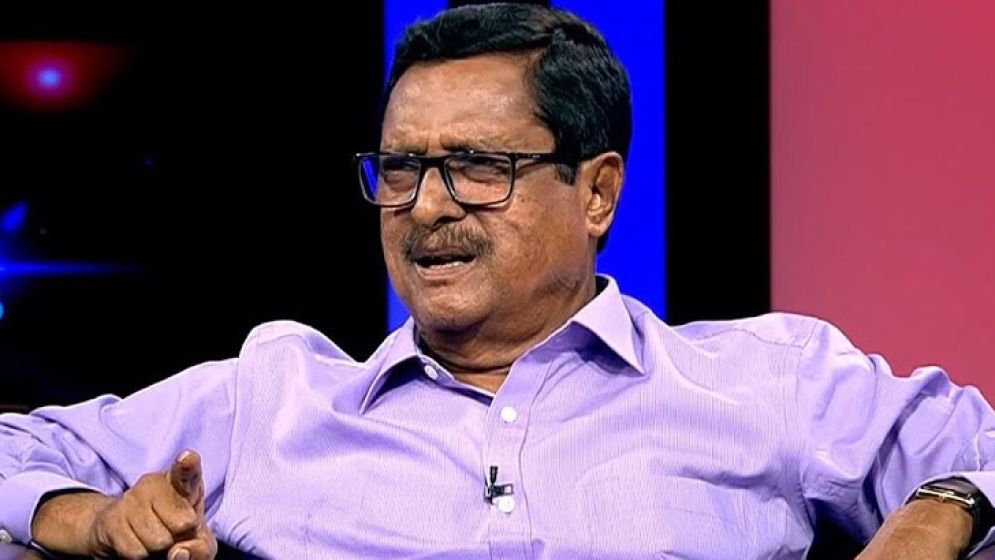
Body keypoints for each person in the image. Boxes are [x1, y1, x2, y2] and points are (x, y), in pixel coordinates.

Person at [2, 4, 994, 559]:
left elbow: (980, 453)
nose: (425, 206)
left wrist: (937, 510)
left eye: (478, 167)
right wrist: (90, 518)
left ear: (596, 192)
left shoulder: (769, 378)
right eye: (400, 168)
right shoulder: (273, 394)